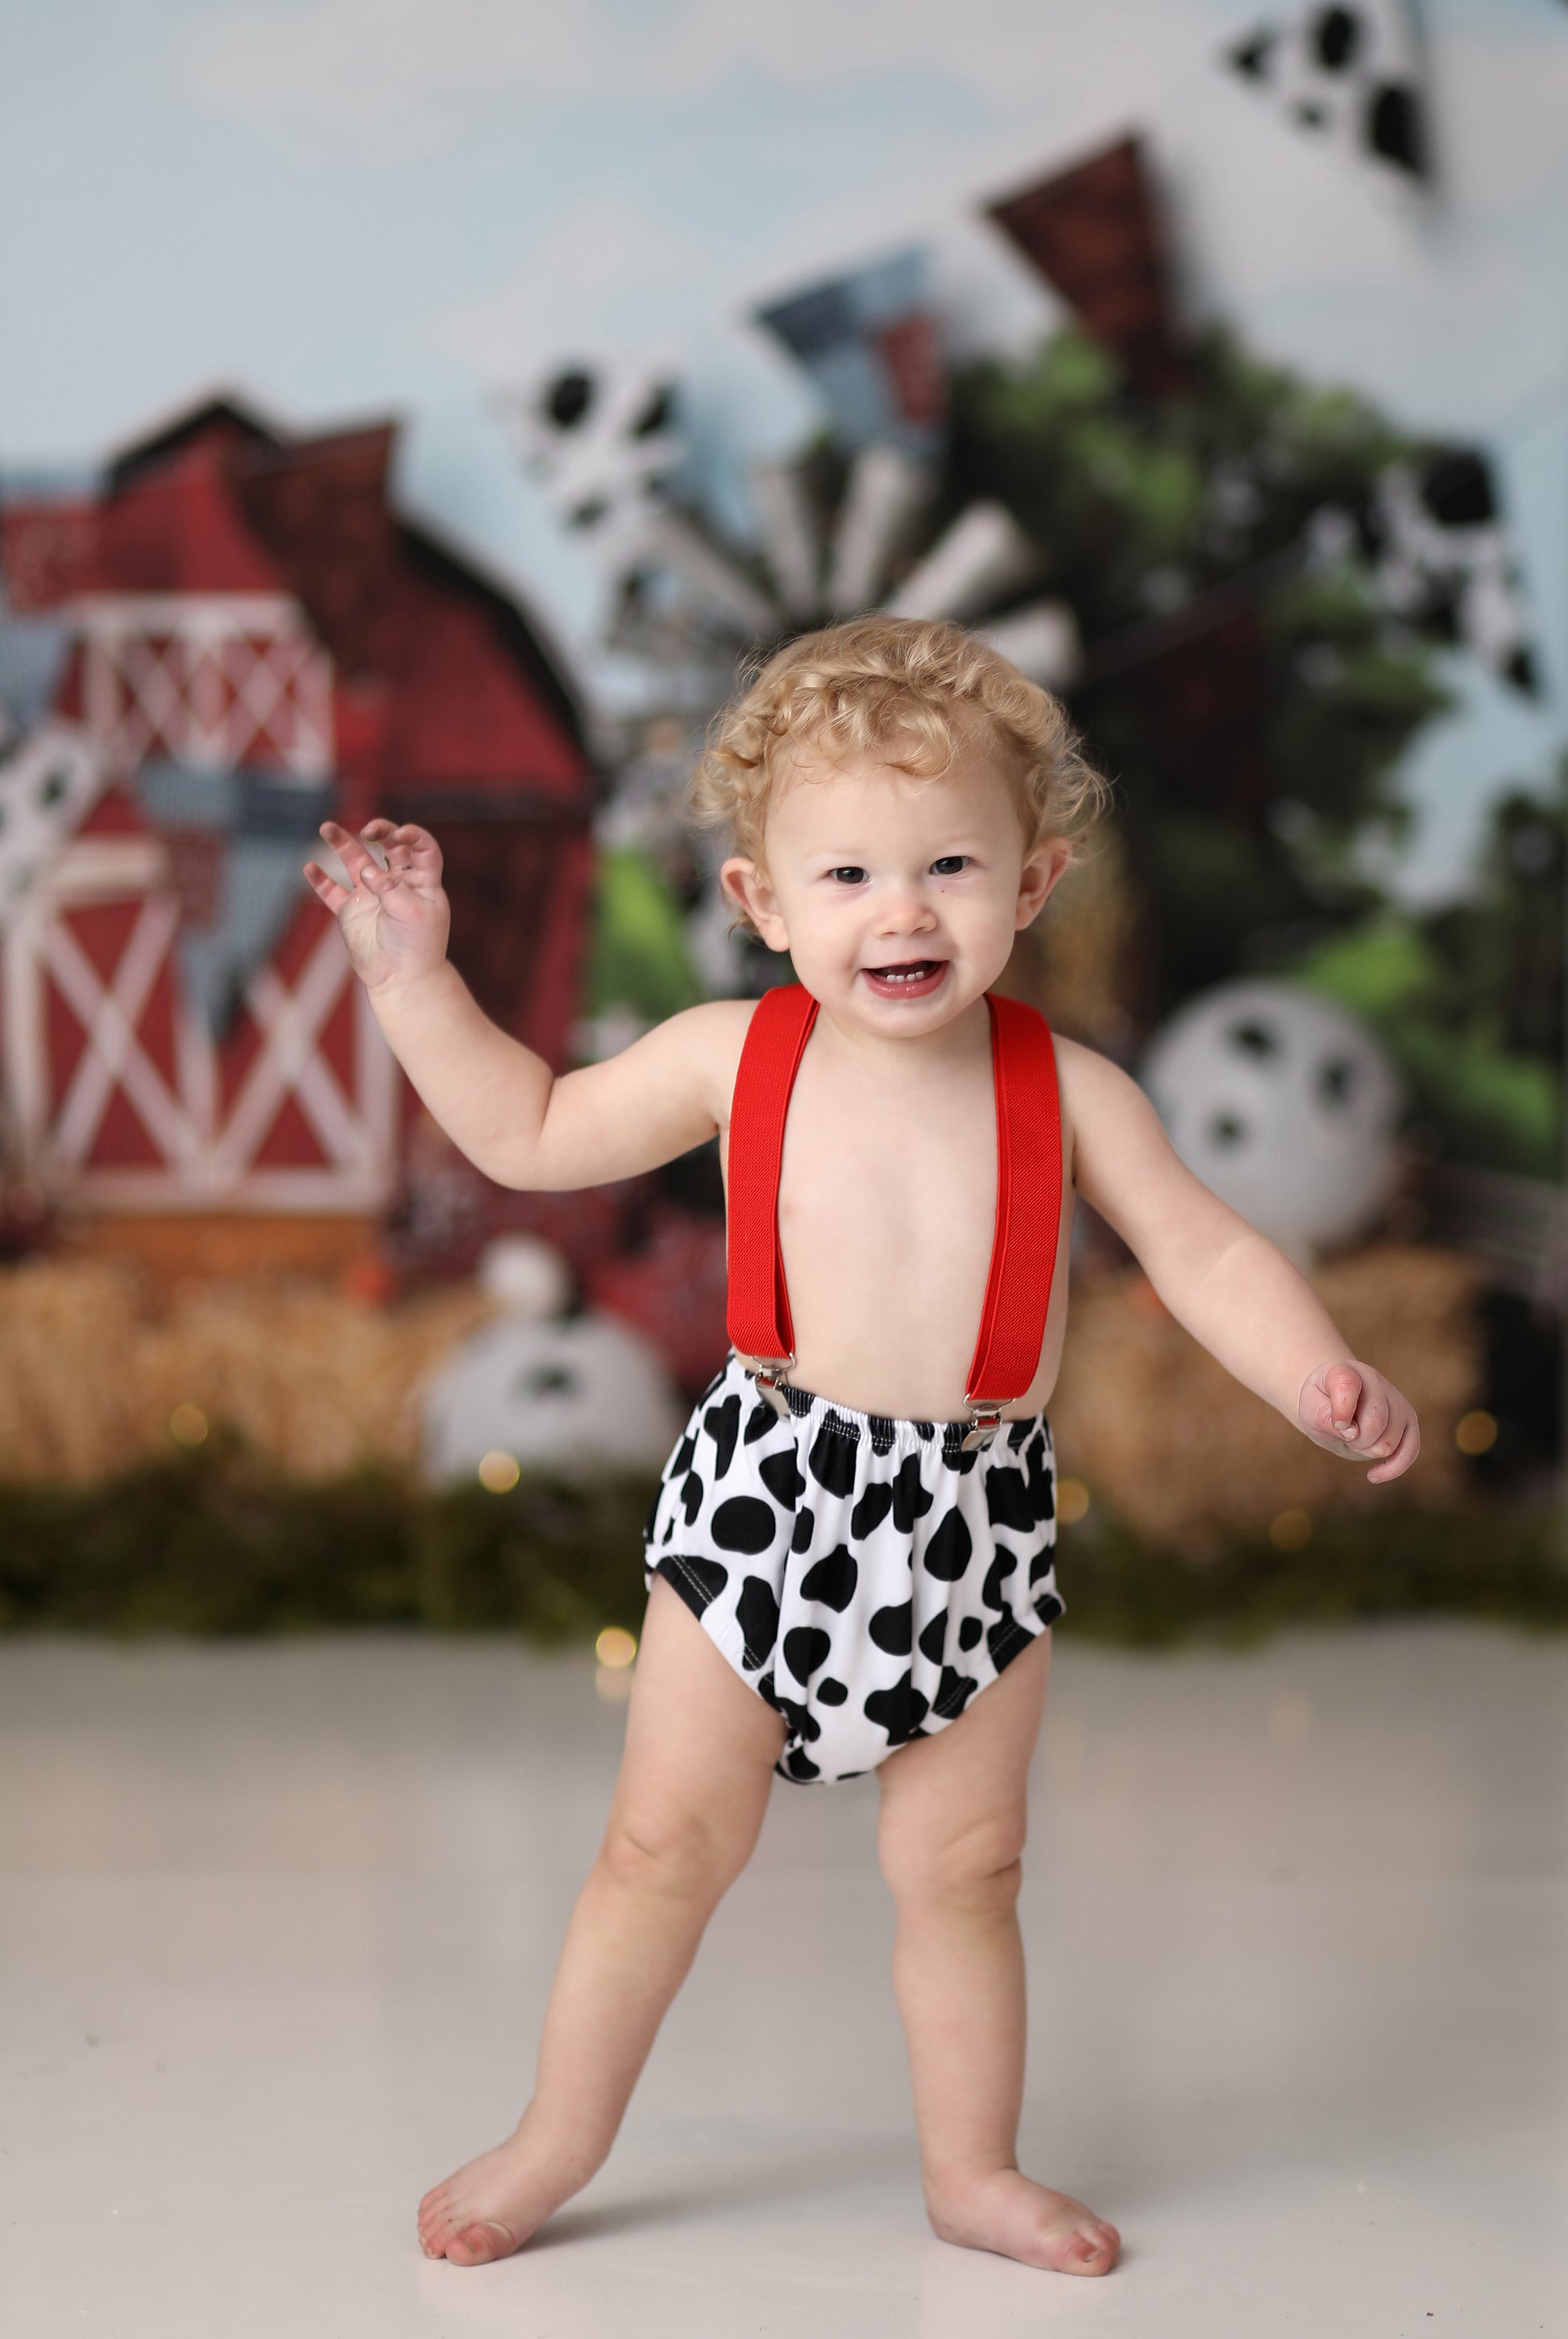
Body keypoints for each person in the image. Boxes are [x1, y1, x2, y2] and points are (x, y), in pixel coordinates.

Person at [304, 615, 1419, 2279]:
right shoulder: (733, 1056)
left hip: (976, 1524)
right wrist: (414, 978)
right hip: (767, 1501)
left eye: (947, 866)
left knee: (967, 1869)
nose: (900, 911)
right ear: (761, 901)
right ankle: (555, 2137)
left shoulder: (1071, 1089)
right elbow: (526, 1129)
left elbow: (1201, 1249)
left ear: (1032, 883)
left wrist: (1314, 1368)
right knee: (660, 1846)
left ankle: (972, 2169)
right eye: (845, 877)